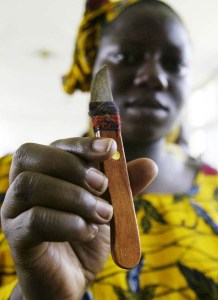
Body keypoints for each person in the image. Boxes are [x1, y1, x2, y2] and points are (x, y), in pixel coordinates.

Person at [1, 0, 218, 299]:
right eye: (127, 56)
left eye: (174, 63)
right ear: (91, 66)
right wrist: (34, 293)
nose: (154, 76)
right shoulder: (15, 186)